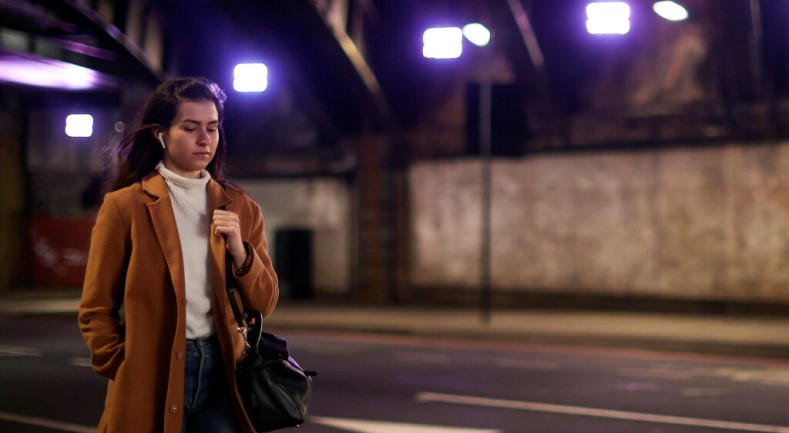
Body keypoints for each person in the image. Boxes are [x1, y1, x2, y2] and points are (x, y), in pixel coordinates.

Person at [78, 76, 279, 433]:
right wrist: (121, 363)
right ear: (160, 133)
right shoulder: (126, 206)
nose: (205, 140)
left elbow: (264, 301)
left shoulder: (242, 208)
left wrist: (240, 251)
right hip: (152, 370)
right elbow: (96, 306)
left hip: (223, 373)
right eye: (190, 128)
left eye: (213, 128)